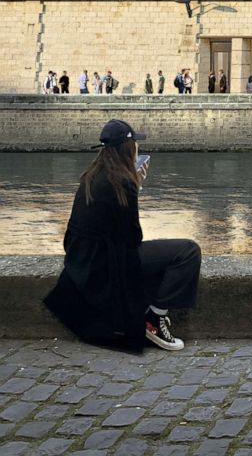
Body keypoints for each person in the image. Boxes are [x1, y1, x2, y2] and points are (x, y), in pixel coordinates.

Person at [43, 119, 201, 351]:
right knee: (188, 251)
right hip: (107, 266)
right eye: (135, 143)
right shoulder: (122, 183)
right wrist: (135, 189)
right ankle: (154, 320)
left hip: (84, 262)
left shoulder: (92, 175)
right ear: (128, 148)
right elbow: (132, 239)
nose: (137, 147)